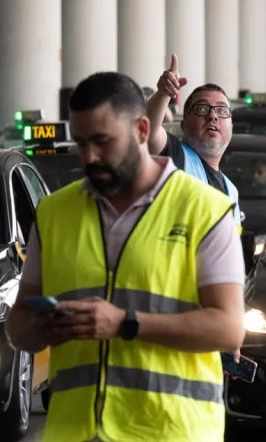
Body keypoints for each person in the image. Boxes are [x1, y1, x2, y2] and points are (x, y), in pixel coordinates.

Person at [5, 72, 246, 441]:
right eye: (82, 143)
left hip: (170, 431)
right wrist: (37, 328)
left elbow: (229, 329)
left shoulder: (207, 210)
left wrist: (125, 324)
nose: (90, 156)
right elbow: (19, 327)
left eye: (103, 141)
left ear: (142, 130)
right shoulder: (54, 213)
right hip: (76, 432)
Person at [146, 54, 242, 230]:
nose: (212, 116)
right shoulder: (174, 156)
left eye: (221, 110)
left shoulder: (232, 191)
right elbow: (147, 133)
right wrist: (163, 94)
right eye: (202, 109)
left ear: (231, 126)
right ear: (184, 124)